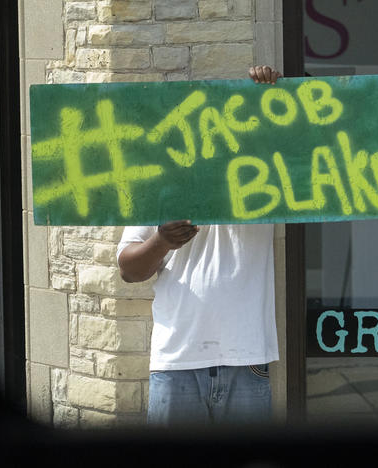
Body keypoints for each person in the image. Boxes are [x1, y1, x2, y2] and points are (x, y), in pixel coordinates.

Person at [117, 65, 283, 426]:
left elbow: (296, 145)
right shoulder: (157, 186)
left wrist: (266, 97)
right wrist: (162, 241)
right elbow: (129, 270)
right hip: (177, 359)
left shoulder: (264, 176)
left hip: (246, 356)